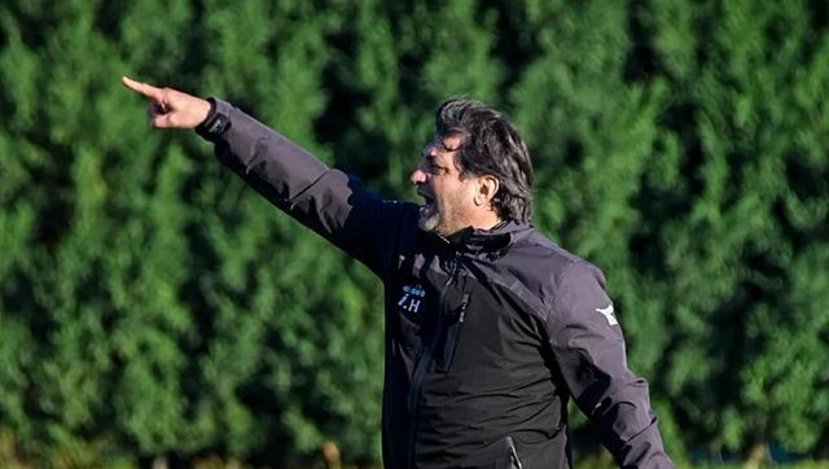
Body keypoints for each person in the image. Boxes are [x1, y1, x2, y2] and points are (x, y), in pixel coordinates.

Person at [122, 76, 674, 469]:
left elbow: (617, 399)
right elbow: (315, 189)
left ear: (484, 188)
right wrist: (216, 119)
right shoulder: (407, 242)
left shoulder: (557, 281)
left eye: (435, 167)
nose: (416, 175)